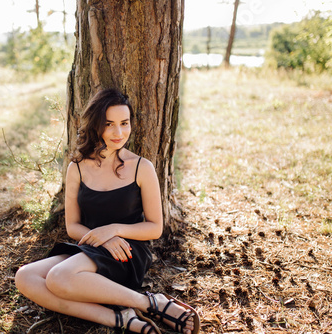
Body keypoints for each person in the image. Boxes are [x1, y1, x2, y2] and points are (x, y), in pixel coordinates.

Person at [15, 88, 200, 334]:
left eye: (124, 123)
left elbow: (155, 228)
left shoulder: (141, 167)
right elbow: (73, 227)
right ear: (96, 125)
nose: (119, 132)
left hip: (127, 252)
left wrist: (114, 231)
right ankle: (123, 319)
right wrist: (103, 238)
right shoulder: (77, 168)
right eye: (109, 124)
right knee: (25, 277)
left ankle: (152, 303)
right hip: (91, 246)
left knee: (58, 278)